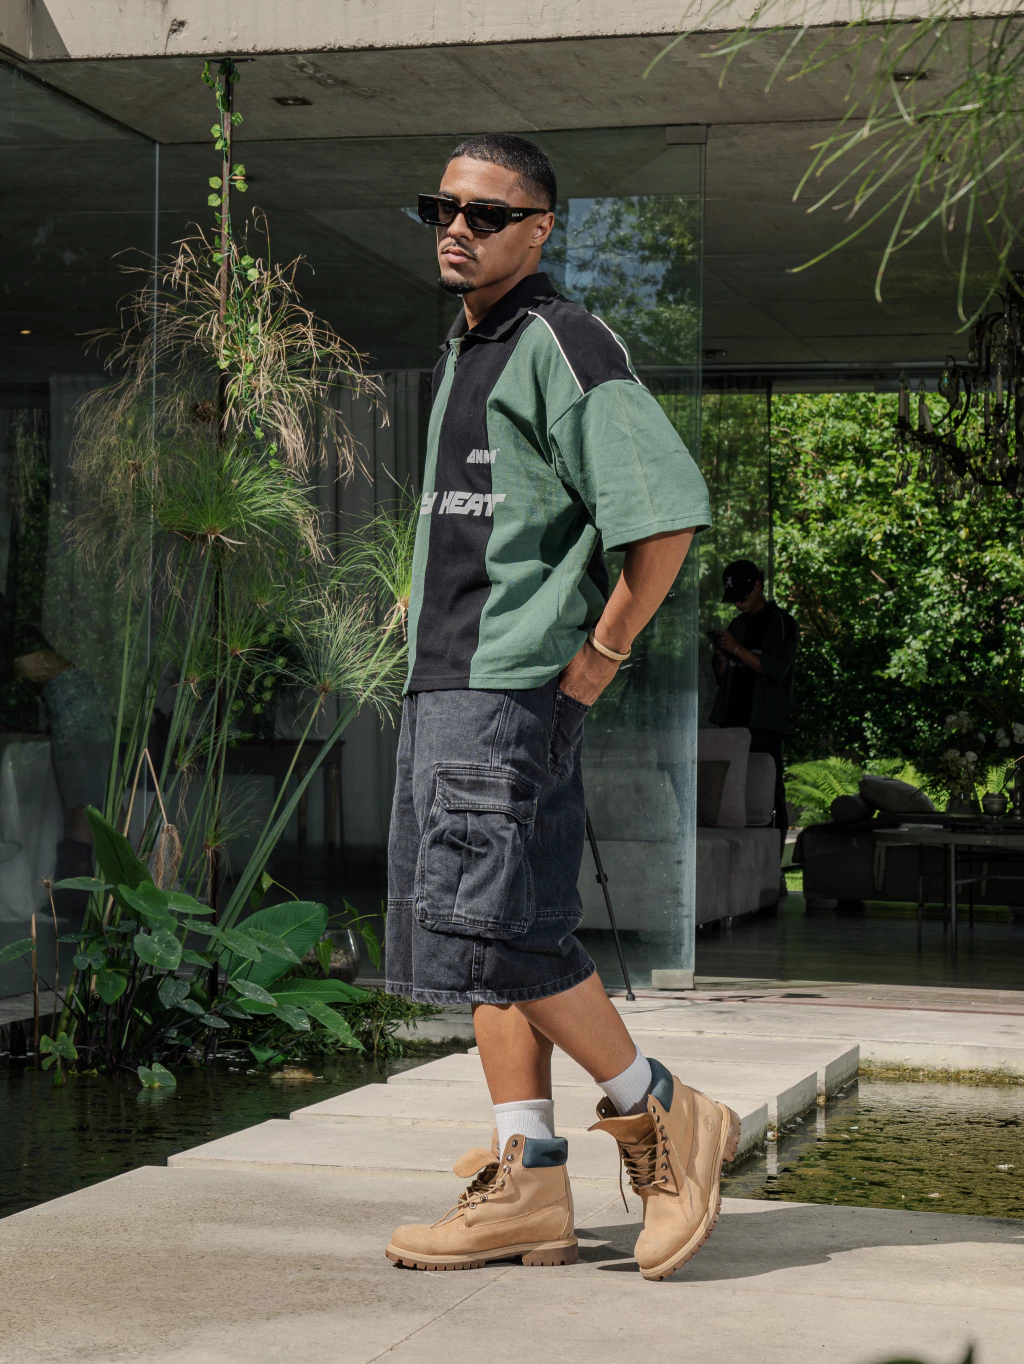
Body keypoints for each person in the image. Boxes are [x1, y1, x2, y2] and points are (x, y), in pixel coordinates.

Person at [383, 132, 739, 1282]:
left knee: (509, 931)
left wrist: (600, 654)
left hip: (510, 687)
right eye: (442, 207)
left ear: (539, 229)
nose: (457, 226)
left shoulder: (562, 340)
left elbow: (663, 514)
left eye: (486, 213)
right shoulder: (470, 343)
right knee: (479, 932)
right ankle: (528, 1176)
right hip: (451, 679)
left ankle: (659, 1105)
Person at [709, 558, 799, 851]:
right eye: (732, 598)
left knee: (768, 790)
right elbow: (726, 677)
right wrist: (722, 659)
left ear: (758, 586)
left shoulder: (781, 623)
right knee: (730, 792)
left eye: (742, 596)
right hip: (732, 721)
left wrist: (736, 648)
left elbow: (775, 669)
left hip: (763, 722)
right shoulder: (737, 624)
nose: (737, 604)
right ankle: (738, 853)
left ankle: (774, 862)